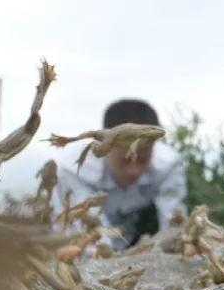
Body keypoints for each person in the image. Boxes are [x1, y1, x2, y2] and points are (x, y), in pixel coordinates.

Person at [52, 99, 186, 249]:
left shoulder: (168, 165)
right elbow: (88, 232)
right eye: (125, 160)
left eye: (142, 160)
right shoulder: (74, 170)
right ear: (105, 147)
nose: (133, 171)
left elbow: (173, 220)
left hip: (132, 236)